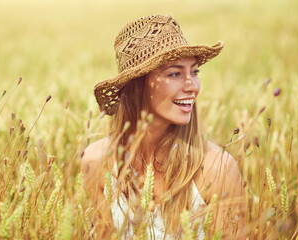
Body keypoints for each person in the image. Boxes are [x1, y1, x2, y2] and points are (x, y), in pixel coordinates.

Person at [81, 15, 246, 239]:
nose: (192, 86)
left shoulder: (217, 169)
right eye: (175, 73)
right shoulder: (96, 161)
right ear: (138, 86)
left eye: (195, 72)